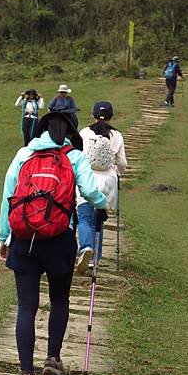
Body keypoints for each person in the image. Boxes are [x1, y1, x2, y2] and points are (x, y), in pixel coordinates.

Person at [0, 111, 107, 375]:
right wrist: (104, 205)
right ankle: (53, 359)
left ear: (43, 129)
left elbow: (8, 194)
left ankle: (25, 373)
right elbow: (91, 193)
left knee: (26, 306)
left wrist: (3, 236)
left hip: (24, 239)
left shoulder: (24, 154)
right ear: (71, 133)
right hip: (59, 238)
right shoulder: (74, 157)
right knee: (59, 299)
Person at [76, 101, 127, 274]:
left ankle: (86, 248)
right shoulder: (117, 135)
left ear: (93, 115)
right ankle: (95, 259)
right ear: (112, 116)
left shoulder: (84, 132)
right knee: (99, 220)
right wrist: (116, 173)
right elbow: (122, 162)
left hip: (87, 178)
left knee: (84, 217)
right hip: (108, 181)